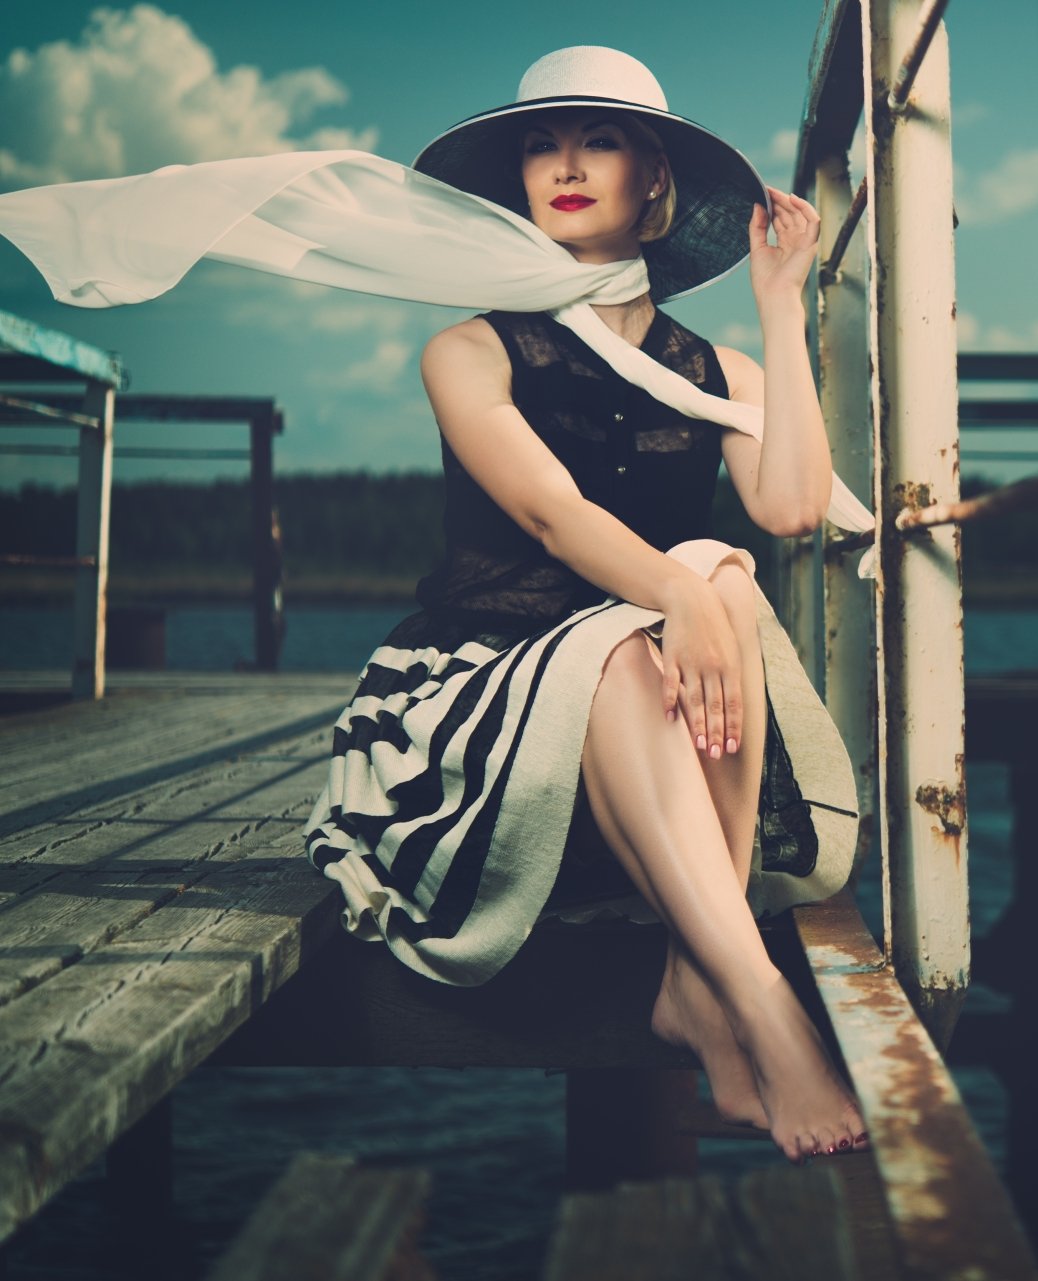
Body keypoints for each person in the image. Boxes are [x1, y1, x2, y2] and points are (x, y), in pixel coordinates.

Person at [299, 46, 868, 1164]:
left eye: (598, 140)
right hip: (474, 696)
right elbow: (553, 519)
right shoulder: (469, 352)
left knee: (717, 576)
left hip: (654, 708)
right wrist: (686, 592)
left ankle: (688, 984)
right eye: (541, 143)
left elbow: (794, 503)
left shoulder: (721, 371)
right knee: (691, 590)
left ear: (653, 182)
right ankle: (751, 993)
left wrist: (778, 309)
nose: (564, 164)